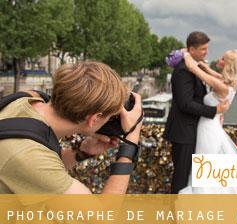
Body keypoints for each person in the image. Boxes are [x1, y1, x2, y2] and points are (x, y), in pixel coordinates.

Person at [0, 61, 142, 194]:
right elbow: (103, 215)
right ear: (95, 118)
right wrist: (132, 140)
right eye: (110, 117)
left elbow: (38, 172)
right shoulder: (28, 155)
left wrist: (81, 152)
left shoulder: (26, 98)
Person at [179, 49, 237, 194]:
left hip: (208, 128)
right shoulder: (229, 82)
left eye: (223, 58)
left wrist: (186, 53)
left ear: (227, 64)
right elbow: (210, 72)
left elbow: (192, 68)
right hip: (212, 126)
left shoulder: (220, 85)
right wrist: (204, 65)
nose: (219, 59)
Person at [163, 31, 230, 194]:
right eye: (203, 49)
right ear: (191, 50)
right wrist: (214, 110)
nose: (206, 52)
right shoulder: (183, 71)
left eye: (207, 48)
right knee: (181, 176)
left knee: (187, 176)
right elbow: (186, 104)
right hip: (183, 132)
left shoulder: (194, 67)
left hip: (189, 130)